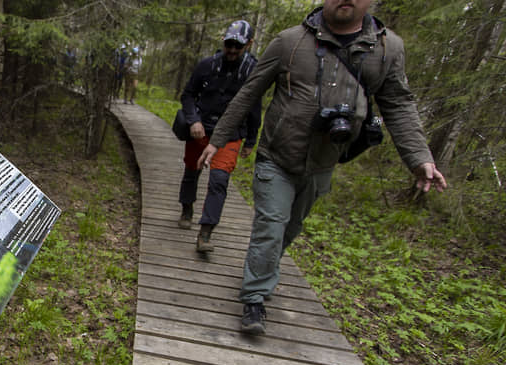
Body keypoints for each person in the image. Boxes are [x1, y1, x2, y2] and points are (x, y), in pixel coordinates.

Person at [197, 0, 446, 335]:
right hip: (277, 156)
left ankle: (261, 266)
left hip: (324, 162)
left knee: (290, 228)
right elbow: (248, 94)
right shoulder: (289, 42)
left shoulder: (387, 49)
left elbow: (399, 104)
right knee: (271, 223)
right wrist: (218, 140)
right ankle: (254, 298)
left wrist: (420, 159)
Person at [177, 20, 262, 254]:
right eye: (229, 44)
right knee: (191, 172)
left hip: (231, 135)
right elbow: (188, 94)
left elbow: (255, 107)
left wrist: (251, 140)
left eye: (238, 46)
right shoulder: (207, 65)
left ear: (249, 44)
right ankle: (186, 208)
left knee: (219, 181)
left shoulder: (252, 72)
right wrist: (193, 119)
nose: (232, 50)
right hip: (201, 130)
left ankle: (205, 233)